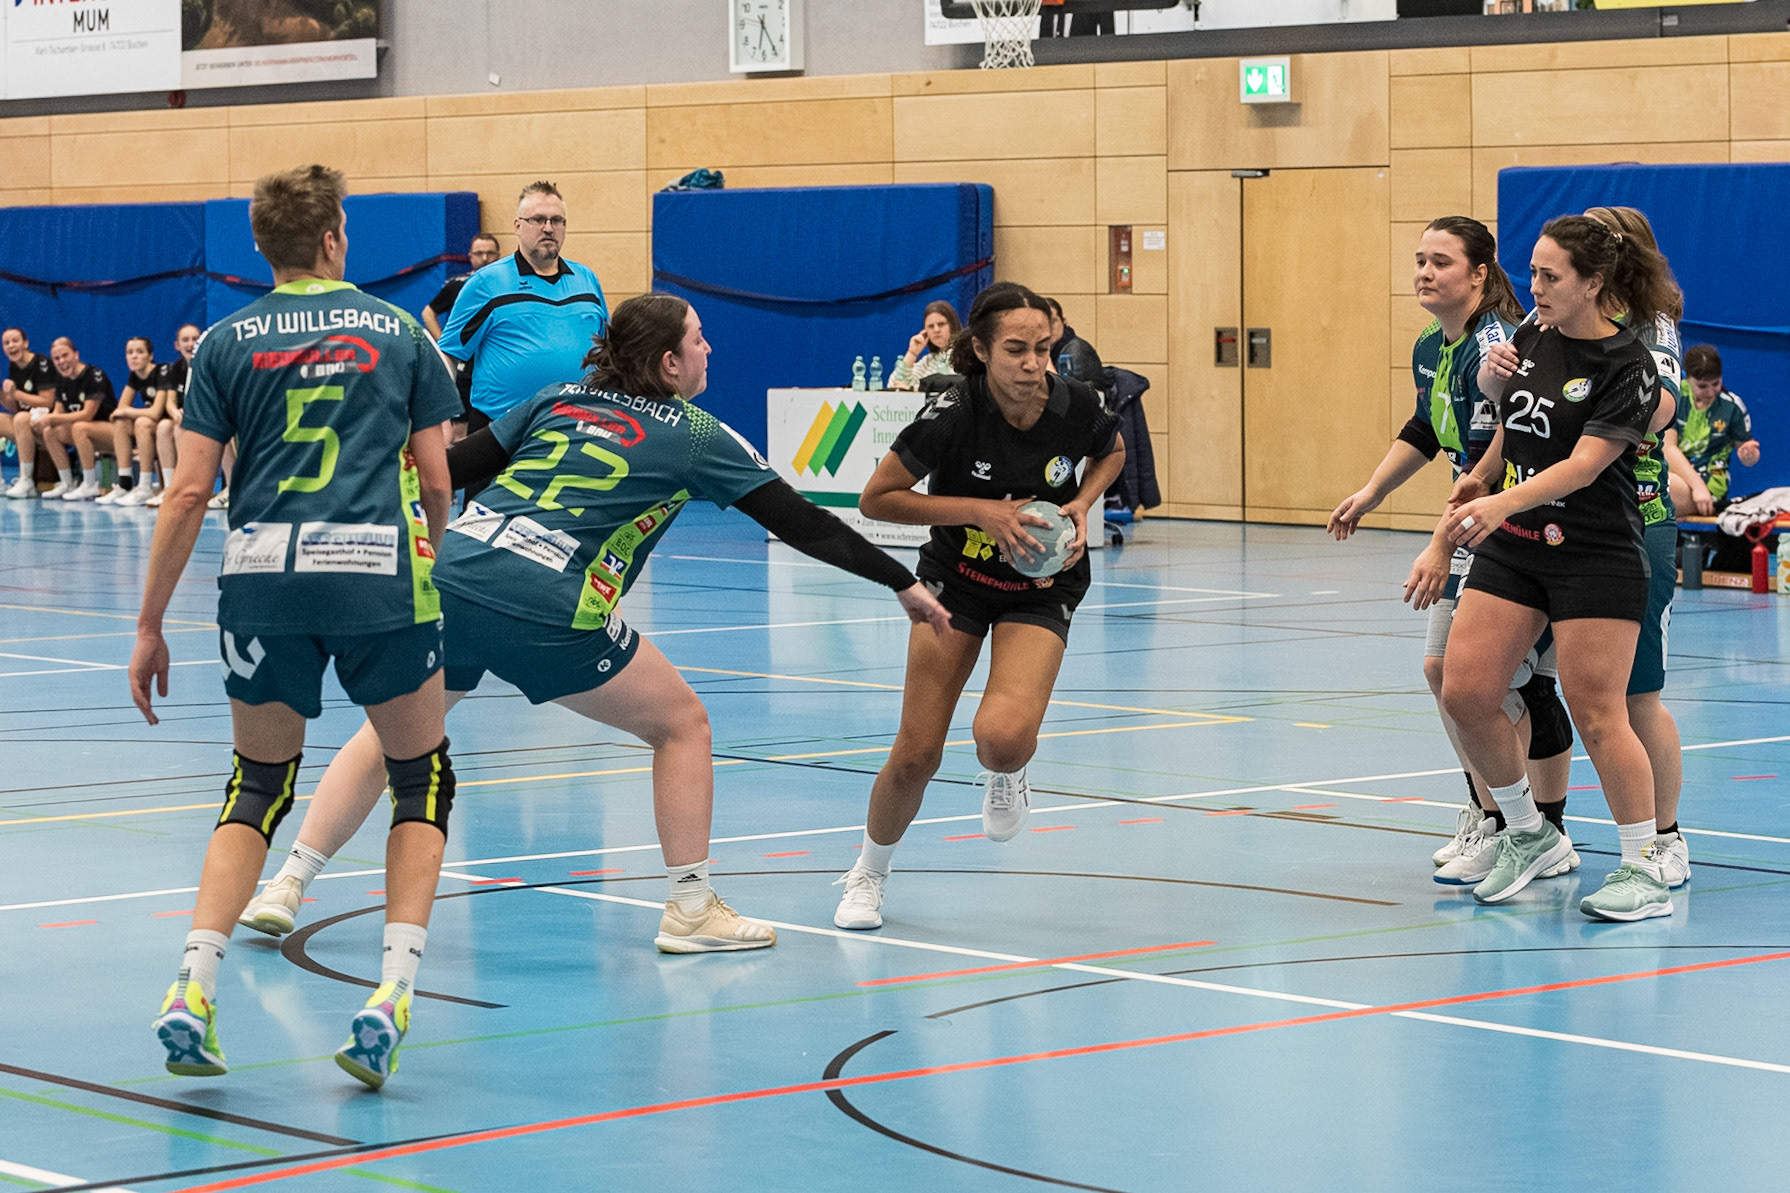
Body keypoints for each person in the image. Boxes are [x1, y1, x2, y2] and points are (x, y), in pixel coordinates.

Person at [237, 293, 951, 953]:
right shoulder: (698, 434)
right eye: (699, 339)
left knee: (390, 735)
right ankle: (690, 907)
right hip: (548, 605)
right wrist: (900, 579)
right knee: (683, 725)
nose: (710, 349)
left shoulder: (557, 397)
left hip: (450, 578)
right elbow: (804, 523)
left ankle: (287, 884)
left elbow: (449, 467)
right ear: (669, 363)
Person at [128, 164, 462, 1090]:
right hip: (378, 579)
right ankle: (390, 996)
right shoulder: (401, 332)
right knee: (421, 775)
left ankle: (193, 984)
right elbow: (438, 481)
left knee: (258, 782)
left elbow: (188, 491)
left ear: (261, 246)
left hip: (261, 581)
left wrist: (150, 623)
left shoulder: (223, 344)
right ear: (332, 237)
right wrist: (433, 564)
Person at [832, 282, 1125, 932]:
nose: (1033, 364)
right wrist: (982, 513)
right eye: (1016, 350)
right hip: (954, 582)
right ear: (984, 351)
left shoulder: (1075, 404)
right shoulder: (954, 411)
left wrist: (1082, 504)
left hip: (1041, 587)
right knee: (917, 752)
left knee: (1002, 739)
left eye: (1043, 349)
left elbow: (1112, 451)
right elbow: (877, 499)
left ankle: (1008, 771)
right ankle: (868, 873)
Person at [1328, 216, 1577, 887]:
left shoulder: (1496, 345)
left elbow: (1492, 459)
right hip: (1472, 523)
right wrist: (1372, 491)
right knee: (1446, 673)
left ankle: (1532, 826)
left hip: (1513, 526)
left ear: (1478, 273)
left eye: (1441, 261)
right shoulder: (1432, 344)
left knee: (1506, 681)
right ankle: (1495, 815)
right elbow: (1426, 427)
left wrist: (1439, 544)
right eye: (1420, 260)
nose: (1425, 272)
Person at [1442, 213, 1677, 921]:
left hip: (1595, 552)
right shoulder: (1531, 335)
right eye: (1534, 272)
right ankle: (1528, 831)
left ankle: (1644, 864)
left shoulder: (1629, 366)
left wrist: (1498, 500)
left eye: (1550, 276)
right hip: (1518, 543)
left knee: (1601, 711)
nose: (1534, 286)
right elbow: (1514, 423)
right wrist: (1487, 434)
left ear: (1593, 283)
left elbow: (1583, 465)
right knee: (1464, 691)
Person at [1585, 205, 1693, 889]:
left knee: (1636, 696)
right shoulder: (1557, 318)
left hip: (1637, 518)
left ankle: (1665, 838)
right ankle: (1528, 826)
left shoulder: (1652, 325)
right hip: (1559, 526)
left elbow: (1657, 409)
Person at [437, 182, 608, 433]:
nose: (548, 228)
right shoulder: (486, 283)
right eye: (537, 219)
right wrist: (437, 418)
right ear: (518, 226)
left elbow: (605, 351)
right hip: (500, 430)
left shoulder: (587, 279)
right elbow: (449, 355)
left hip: (575, 427)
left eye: (556, 220)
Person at [421, 233, 501, 437]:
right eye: (479, 253)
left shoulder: (507, 286)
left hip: (495, 368)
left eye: (490, 253)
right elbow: (428, 312)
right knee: (460, 429)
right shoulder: (458, 285)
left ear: (499, 255)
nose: (485, 258)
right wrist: (442, 342)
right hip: (464, 369)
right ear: (470, 256)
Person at [75, 337, 170, 505]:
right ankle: (124, 483)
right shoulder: (135, 376)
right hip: (152, 427)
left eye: (139, 352)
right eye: (130, 352)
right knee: (121, 421)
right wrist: (124, 412)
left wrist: (127, 411)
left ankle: (145, 486)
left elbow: (156, 412)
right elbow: (120, 409)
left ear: (150, 356)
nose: (134, 356)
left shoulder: (162, 372)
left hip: (168, 426)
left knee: (141, 423)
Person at [1668, 344, 1758, 517]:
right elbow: (1668, 448)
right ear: (1688, 378)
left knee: (1655, 489)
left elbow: (1749, 457)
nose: (1710, 392)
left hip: (1709, 487)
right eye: (1702, 386)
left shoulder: (1731, 406)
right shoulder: (1674, 397)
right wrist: (1697, 486)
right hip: (1680, 478)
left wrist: (1749, 456)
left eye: (1716, 384)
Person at [27, 338, 115, 499]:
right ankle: (67, 483)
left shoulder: (94, 376)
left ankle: (90, 484)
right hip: (85, 434)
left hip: (112, 432)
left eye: (65, 356)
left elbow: (87, 414)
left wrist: (51, 419)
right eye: (56, 358)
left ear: (76, 355)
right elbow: (58, 413)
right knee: (49, 431)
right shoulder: (62, 380)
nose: (61, 361)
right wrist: (42, 419)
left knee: (79, 427)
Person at [146, 324, 203, 509]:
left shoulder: (206, 363)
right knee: (164, 426)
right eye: (185, 340)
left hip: (203, 418)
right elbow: (170, 402)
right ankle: (170, 487)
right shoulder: (174, 369)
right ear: (177, 345)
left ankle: (188, 484)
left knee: (179, 429)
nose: (190, 344)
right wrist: (175, 413)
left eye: (194, 339)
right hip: (183, 418)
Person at [1, 328, 58, 497]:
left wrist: (16, 393)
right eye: (6, 343)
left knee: (21, 418)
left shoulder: (42, 364)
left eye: (15, 341)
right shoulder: (14, 366)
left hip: (49, 425)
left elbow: (48, 401)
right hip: (28, 422)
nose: (11, 346)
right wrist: (4, 396)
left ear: (25, 343)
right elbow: (17, 407)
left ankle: (26, 480)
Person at [888, 300, 962, 390]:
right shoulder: (927, 361)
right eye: (931, 326)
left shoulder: (963, 355)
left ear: (952, 325)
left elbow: (953, 386)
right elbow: (893, 385)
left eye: (941, 324)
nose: (936, 330)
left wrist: (914, 389)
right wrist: (912, 353)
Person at [1041, 295, 1105, 390]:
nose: (1047, 328)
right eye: (1041, 323)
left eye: (1052, 322)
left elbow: (1072, 395)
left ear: (1064, 321)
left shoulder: (1075, 351)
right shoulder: (1050, 349)